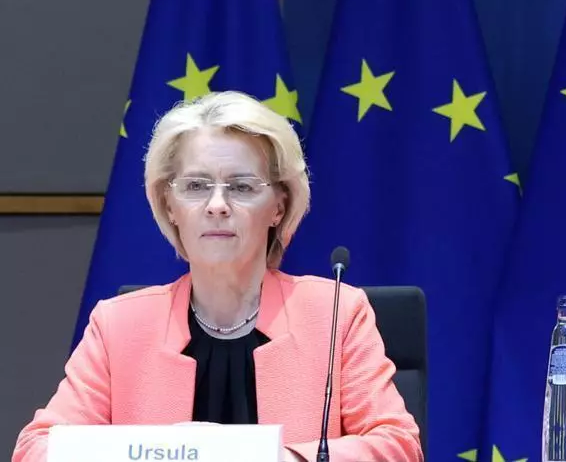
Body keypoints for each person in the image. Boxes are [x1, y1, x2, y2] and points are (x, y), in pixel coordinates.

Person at [12, 91, 423, 462]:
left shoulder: (335, 314)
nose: (217, 205)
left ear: (278, 207)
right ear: (169, 205)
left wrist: (279, 459)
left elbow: (399, 446)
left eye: (241, 187)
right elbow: (36, 450)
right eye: (195, 185)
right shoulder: (119, 325)